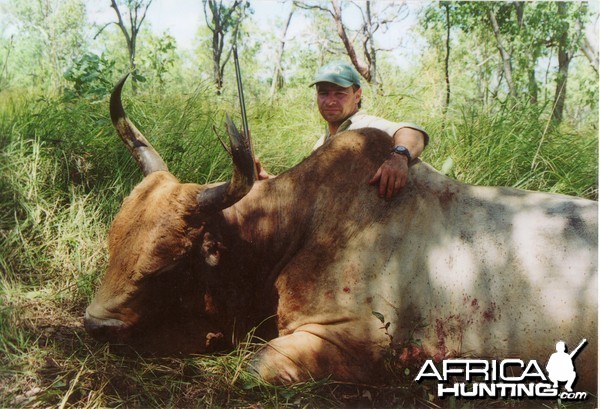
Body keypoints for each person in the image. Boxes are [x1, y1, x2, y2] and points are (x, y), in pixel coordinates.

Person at [256, 60, 428, 200]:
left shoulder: (365, 125)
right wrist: (269, 181)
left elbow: (413, 132)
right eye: (324, 93)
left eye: (340, 94)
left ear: (357, 95)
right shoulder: (321, 143)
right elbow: (308, 187)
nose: (330, 101)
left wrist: (399, 156)